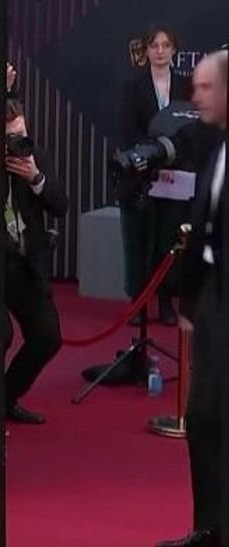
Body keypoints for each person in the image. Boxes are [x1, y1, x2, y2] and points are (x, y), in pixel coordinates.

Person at [0, 100, 68, 423]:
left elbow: (60, 205)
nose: (19, 143)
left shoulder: (34, 157)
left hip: (24, 263)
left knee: (47, 336)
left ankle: (4, 398)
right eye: (11, 138)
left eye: (22, 133)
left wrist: (36, 179)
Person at [156, 49, 227, 547]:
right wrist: (191, 301)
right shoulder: (214, 143)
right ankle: (209, 531)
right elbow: (206, 227)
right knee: (202, 419)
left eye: (205, 87)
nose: (195, 96)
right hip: (215, 300)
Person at [119, 25, 193, 329]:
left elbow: (192, 128)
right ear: (146, 50)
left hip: (177, 177)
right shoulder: (133, 86)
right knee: (139, 244)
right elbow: (128, 130)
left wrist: (172, 158)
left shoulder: (187, 86)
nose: (160, 51)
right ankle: (138, 302)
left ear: (174, 50)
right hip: (142, 178)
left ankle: (165, 301)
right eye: (154, 45)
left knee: (169, 242)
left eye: (165, 45)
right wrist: (152, 159)